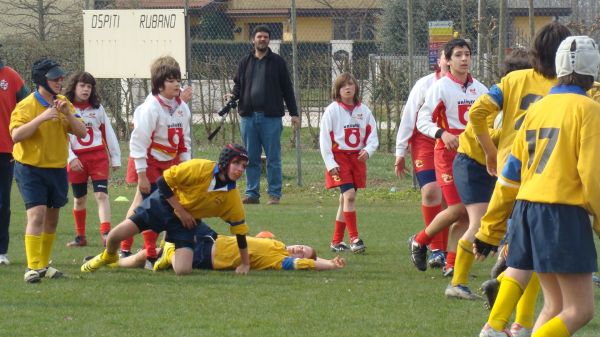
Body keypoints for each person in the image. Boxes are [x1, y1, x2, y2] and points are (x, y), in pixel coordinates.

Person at [476, 35, 600, 337]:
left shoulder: (537, 109)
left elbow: (510, 176)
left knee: (555, 305)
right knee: (581, 310)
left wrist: (490, 229)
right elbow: (592, 174)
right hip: (563, 215)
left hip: (527, 211)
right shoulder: (589, 109)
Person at [468, 22, 571, 337]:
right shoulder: (575, 91)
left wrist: (490, 151)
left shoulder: (513, 80)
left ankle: (502, 320)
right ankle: (521, 323)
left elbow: (476, 114)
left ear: (535, 53)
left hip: (512, 175)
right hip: (550, 180)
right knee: (536, 254)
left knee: (525, 251)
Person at [82, 144, 252, 276]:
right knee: (114, 236)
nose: (240, 169)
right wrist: (180, 210)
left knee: (183, 271)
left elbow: (240, 230)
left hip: (186, 223)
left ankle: (166, 252)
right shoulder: (200, 167)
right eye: (236, 163)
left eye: (244, 166)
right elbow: (162, 181)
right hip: (163, 204)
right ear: (225, 161)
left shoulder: (232, 197)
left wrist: (245, 263)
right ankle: (108, 256)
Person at [408, 39, 488, 296]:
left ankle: (451, 264)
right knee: (458, 208)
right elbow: (422, 120)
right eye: (458, 55)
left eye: (467, 54)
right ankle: (420, 241)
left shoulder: (480, 89)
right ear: (447, 59)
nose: (464, 59)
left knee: (466, 214)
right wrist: (442, 133)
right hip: (447, 154)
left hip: (473, 155)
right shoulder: (440, 87)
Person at [10, 58, 86, 283]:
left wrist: (68, 114)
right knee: (37, 215)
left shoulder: (63, 103)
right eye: (55, 78)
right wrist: (42, 118)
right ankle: (32, 267)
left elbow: (81, 132)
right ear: (42, 80)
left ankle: (44, 265)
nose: (60, 81)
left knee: (52, 219)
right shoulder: (26, 105)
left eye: (61, 77)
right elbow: (16, 135)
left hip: (57, 169)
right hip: (30, 169)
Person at [119, 56, 192, 265]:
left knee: (141, 204)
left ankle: (125, 248)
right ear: (159, 85)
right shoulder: (150, 108)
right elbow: (138, 142)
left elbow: (184, 140)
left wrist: (185, 167)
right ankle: (150, 254)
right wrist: (141, 174)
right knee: (152, 206)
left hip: (169, 162)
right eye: (170, 80)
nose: (177, 84)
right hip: (150, 162)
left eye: (177, 79)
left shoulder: (181, 107)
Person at [227, 24, 300, 205]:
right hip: (248, 117)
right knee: (250, 158)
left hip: (271, 118)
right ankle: (252, 194)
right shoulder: (245, 62)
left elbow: (287, 89)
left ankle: (274, 194)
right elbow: (238, 85)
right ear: (253, 39)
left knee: (273, 158)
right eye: (259, 36)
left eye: (265, 37)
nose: (262, 39)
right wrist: (233, 96)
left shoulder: (278, 62)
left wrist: (294, 113)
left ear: (269, 40)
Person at [395, 49, 449, 268]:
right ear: (441, 61)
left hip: (452, 143)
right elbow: (408, 117)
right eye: (452, 55)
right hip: (425, 142)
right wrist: (400, 151)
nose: (460, 58)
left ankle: (434, 246)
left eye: (465, 54)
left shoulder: (470, 87)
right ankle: (436, 250)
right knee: (431, 191)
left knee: (450, 201)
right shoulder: (424, 85)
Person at [111, 222, 346, 272]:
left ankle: (116, 260)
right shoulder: (275, 242)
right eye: (302, 246)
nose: (299, 250)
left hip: (206, 255)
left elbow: (303, 265)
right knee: (180, 213)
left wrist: (329, 264)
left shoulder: (278, 261)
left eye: (304, 252)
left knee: (158, 254)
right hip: (213, 237)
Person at [319, 72, 378, 254]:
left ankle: (336, 241)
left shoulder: (364, 111)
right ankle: (354, 239)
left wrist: (368, 150)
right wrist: (330, 163)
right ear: (337, 89)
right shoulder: (332, 110)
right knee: (350, 195)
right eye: (344, 85)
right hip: (339, 159)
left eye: (351, 84)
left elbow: (373, 137)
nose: (348, 88)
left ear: (356, 88)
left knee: (345, 199)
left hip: (356, 161)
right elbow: (324, 140)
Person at [64, 71, 121, 247]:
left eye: (89, 86)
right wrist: (71, 158)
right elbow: (61, 137)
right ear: (74, 87)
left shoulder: (98, 109)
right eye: (82, 85)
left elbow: (108, 133)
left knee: (101, 194)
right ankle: (80, 237)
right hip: (76, 160)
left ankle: (106, 234)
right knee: (79, 199)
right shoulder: (65, 108)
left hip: (98, 158)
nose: (86, 89)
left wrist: (115, 157)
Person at [0, 43, 29, 265]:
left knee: (2, 203)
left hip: (4, 150)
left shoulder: (11, 76)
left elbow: (29, 106)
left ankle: (1, 251)